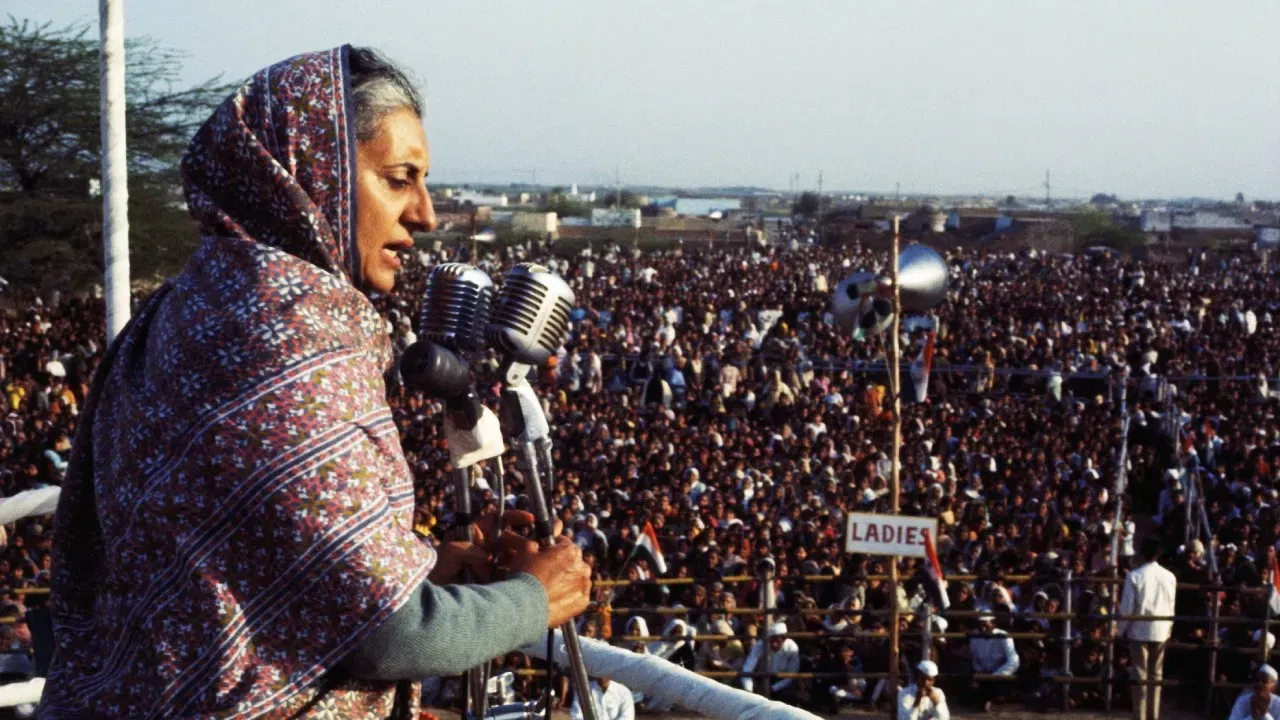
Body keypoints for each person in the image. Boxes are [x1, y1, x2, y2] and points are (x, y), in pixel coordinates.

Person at [37, 46, 591, 718]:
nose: (425, 215)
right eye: (399, 179)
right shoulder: (291, 339)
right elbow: (394, 637)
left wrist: (420, 569)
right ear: (315, 174)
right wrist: (535, 598)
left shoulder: (187, 307)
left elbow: (230, 561)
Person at [1118, 536, 1178, 720]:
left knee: (1140, 677)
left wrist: (1120, 631)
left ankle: (1140, 717)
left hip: (1139, 630)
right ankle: (1153, 716)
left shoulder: (1134, 576)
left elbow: (1127, 608)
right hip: (1160, 629)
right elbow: (1171, 606)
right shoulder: (1169, 576)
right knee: (1156, 676)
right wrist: (1168, 629)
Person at [740, 621, 801, 702]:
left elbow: (791, 675)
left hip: (782, 682)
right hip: (762, 678)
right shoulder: (760, 645)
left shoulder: (792, 648)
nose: (774, 644)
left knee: (788, 694)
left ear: (784, 639)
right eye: (772, 641)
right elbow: (747, 668)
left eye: (777, 641)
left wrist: (773, 688)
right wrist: (749, 690)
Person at [969, 614, 1018, 712]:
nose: (982, 629)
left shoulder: (1003, 636)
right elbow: (975, 660)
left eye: (985, 625)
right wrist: (980, 671)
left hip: (1000, 674)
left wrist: (995, 675)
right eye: (980, 626)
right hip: (983, 674)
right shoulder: (975, 637)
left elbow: (1014, 661)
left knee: (998, 690)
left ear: (993, 624)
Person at [570, 677, 635, 720]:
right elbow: (576, 715)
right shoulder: (583, 690)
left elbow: (628, 717)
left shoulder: (624, 692)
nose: (602, 676)